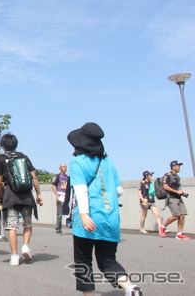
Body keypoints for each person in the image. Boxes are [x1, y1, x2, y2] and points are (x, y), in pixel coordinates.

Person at [67, 122, 142, 296]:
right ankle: (131, 288)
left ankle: (89, 295)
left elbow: (80, 190)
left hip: (88, 219)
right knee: (108, 261)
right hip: (111, 219)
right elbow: (119, 191)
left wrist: (84, 214)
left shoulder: (78, 162)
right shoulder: (109, 163)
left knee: (83, 260)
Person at [0, 133, 43, 266]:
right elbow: (34, 178)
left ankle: (14, 256)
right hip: (26, 196)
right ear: (16, 144)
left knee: (12, 227)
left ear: (3, 146)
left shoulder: (2, 159)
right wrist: (38, 194)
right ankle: (25, 246)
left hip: (10, 197)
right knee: (27, 223)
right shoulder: (24, 157)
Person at [159, 160, 190, 239]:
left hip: (178, 197)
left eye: (179, 166)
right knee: (176, 215)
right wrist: (176, 191)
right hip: (171, 198)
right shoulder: (168, 175)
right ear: (173, 167)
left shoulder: (177, 177)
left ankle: (179, 233)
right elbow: (165, 186)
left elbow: (177, 187)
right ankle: (162, 227)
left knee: (182, 215)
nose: (179, 167)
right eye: (178, 166)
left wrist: (181, 192)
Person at [52, 163, 69, 234]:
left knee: (69, 213)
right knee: (60, 213)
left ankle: (70, 226)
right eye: (62, 167)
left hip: (67, 196)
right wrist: (57, 195)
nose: (64, 168)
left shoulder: (68, 177)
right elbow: (53, 186)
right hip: (60, 195)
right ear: (60, 168)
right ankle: (58, 228)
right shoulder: (57, 176)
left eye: (65, 166)